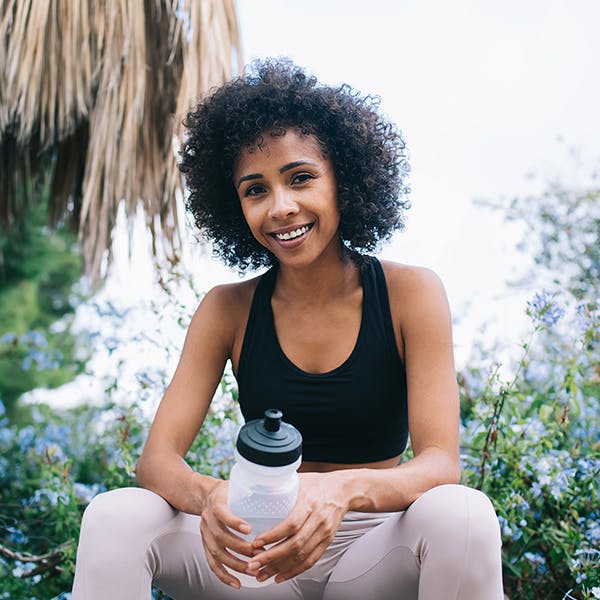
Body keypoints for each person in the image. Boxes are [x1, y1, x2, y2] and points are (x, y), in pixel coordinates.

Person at [71, 59, 504, 599]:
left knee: (463, 514)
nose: (281, 207)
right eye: (255, 190)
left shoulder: (410, 294)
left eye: (301, 178)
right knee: (116, 516)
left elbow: (441, 463)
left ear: (343, 180)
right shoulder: (227, 310)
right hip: (256, 558)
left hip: (373, 553)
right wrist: (210, 498)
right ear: (236, 206)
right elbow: (157, 461)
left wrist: (340, 491)